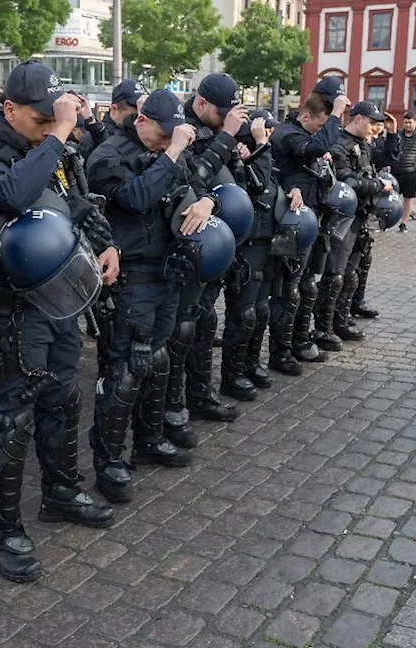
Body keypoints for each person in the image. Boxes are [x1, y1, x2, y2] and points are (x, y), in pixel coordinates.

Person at [0, 60, 119, 583]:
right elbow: (6, 196)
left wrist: (106, 240)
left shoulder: (45, 151)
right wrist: (60, 135)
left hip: (55, 302)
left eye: (56, 117)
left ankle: (61, 491)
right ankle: (1, 531)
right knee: (7, 418)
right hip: (2, 308)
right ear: (10, 110)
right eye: (43, 117)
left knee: (64, 397)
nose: (52, 125)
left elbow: (74, 204)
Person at [86, 88, 202, 502]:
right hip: (130, 276)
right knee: (125, 368)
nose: (169, 138)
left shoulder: (172, 152)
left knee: (158, 358)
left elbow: (194, 188)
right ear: (140, 120)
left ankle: (149, 439)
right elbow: (135, 199)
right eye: (163, 131)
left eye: (174, 131)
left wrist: (205, 203)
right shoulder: (107, 156)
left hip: (168, 270)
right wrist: (171, 153)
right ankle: (109, 460)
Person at [163, 72, 247, 448]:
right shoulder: (182, 131)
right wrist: (227, 137)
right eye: (222, 111)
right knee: (180, 332)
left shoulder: (217, 133)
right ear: (200, 104)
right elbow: (196, 174)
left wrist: (243, 151)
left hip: (213, 246)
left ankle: (200, 394)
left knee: (205, 321)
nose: (228, 117)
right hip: (183, 250)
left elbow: (226, 180)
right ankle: (173, 408)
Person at [270, 76, 349, 370]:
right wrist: (336, 116)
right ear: (306, 116)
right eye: (319, 124)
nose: (321, 130)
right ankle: (280, 352)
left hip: (312, 219)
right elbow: (313, 148)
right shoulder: (288, 134)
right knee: (287, 289)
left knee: (306, 287)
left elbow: (319, 151)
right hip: (291, 224)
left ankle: (300, 342)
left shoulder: (304, 133)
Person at [320, 101, 391, 344]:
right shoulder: (340, 144)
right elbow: (346, 182)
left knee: (351, 272)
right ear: (358, 118)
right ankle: (324, 327)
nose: (375, 128)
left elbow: (371, 170)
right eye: (372, 123)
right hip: (343, 218)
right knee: (335, 273)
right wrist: (379, 186)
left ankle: (341, 319)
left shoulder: (363, 145)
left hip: (360, 215)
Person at [220, 110, 277, 400]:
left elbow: (272, 184)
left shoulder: (264, 159)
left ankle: (250, 364)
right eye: (265, 131)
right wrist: (258, 146)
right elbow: (258, 184)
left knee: (261, 310)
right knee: (243, 313)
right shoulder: (240, 160)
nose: (269, 136)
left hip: (267, 243)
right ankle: (233, 374)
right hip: (247, 246)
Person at [391, 111, 416, 232]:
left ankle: (403, 222)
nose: (407, 125)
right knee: (392, 197)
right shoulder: (398, 134)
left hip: (411, 173)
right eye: (405, 122)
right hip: (395, 171)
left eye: (410, 122)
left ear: (415, 123)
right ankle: (388, 220)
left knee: (408, 199)